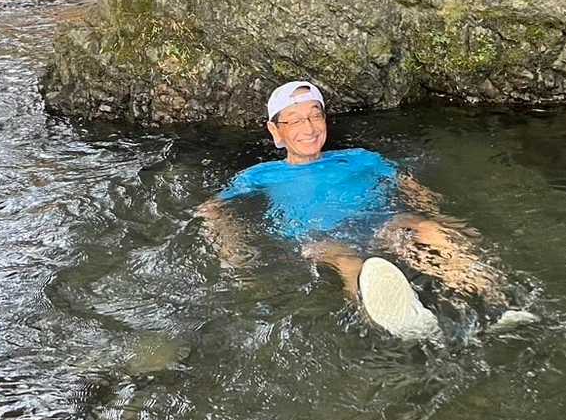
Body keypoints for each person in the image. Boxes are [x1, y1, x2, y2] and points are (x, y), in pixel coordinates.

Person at [197, 79, 505, 339]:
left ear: (325, 121)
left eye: (315, 116)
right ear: (276, 131)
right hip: (319, 238)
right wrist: (230, 247)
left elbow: (405, 182)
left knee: (426, 228)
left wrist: (430, 208)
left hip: (379, 223)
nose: (308, 127)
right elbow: (213, 208)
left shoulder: (360, 157)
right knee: (348, 260)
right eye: (294, 119)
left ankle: (492, 299)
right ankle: (390, 321)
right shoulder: (260, 175)